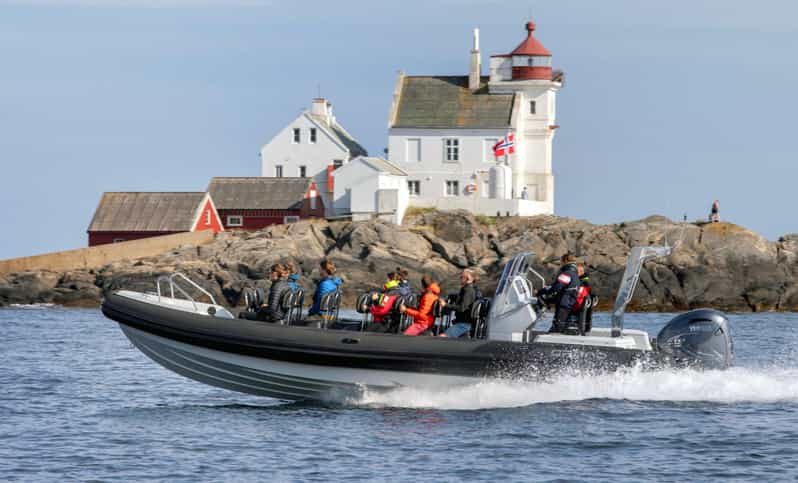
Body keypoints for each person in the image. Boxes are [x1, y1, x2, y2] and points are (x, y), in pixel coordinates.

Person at [537, 254, 581, 333]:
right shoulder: (575, 274)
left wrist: (543, 291)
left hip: (564, 303)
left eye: (561, 261)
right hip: (570, 302)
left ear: (565, 261)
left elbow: (557, 287)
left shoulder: (566, 273)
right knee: (561, 323)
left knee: (558, 325)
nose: (560, 263)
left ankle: (554, 338)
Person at [440, 269, 480, 338]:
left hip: (464, 324)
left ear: (468, 279)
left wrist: (445, 305)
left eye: (462, 277)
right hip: (463, 323)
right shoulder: (467, 289)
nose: (460, 278)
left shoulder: (468, 291)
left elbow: (462, 308)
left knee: (442, 337)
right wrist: (452, 296)